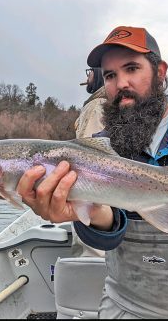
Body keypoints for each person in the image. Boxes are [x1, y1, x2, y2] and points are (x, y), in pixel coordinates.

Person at [15, 26, 168, 318]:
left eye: (131, 68)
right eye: (110, 75)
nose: (121, 83)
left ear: (160, 71)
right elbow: (106, 241)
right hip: (126, 305)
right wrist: (93, 218)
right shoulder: (99, 147)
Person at [72, 67, 107, 258]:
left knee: (90, 256)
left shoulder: (96, 105)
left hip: (91, 193)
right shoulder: (107, 102)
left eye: (90, 72)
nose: (87, 76)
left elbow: (87, 158)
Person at [74, 67, 106, 139]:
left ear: (98, 73)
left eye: (91, 70)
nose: (88, 75)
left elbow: (89, 143)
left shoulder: (96, 105)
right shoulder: (101, 102)